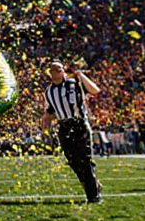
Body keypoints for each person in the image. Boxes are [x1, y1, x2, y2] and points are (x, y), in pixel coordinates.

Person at [39, 61, 102, 203]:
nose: (55, 72)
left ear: (63, 71)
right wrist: (45, 129)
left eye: (58, 69)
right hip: (64, 126)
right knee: (73, 161)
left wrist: (81, 75)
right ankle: (92, 185)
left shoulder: (75, 84)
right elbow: (49, 113)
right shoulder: (49, 92)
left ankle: (93, 196)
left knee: (84, 160)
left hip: (79, 125)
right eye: (52, 70)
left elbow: (95, 90)